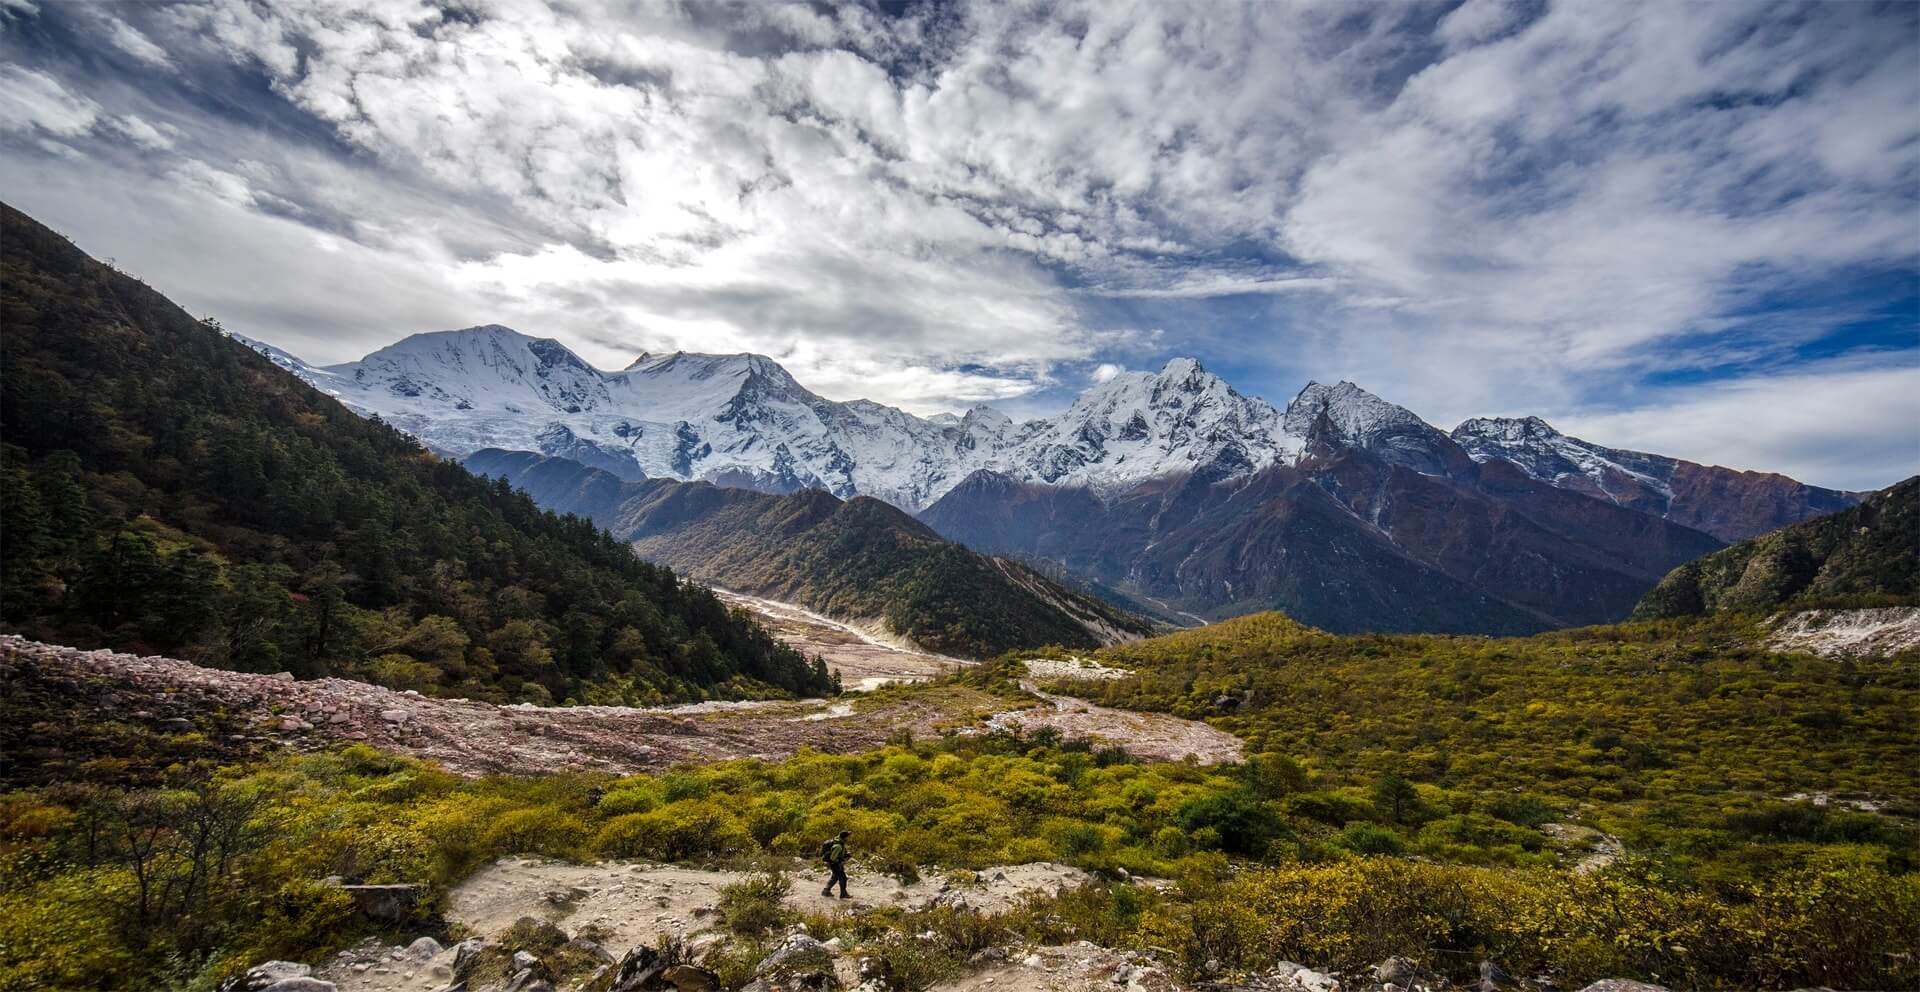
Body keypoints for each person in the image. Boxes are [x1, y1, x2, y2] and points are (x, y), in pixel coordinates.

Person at [821, 830, 851, 898]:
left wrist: (845, 855)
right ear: (844, 838)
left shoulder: (839, 841)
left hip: (835, 864)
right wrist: (842, 860)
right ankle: (843, 894)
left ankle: (826, 891)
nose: (848, 838)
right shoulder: (838, 846)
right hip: (835, 864)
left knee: (835, 877)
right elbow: (833, 858)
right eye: (847, 837)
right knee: (843, 878)